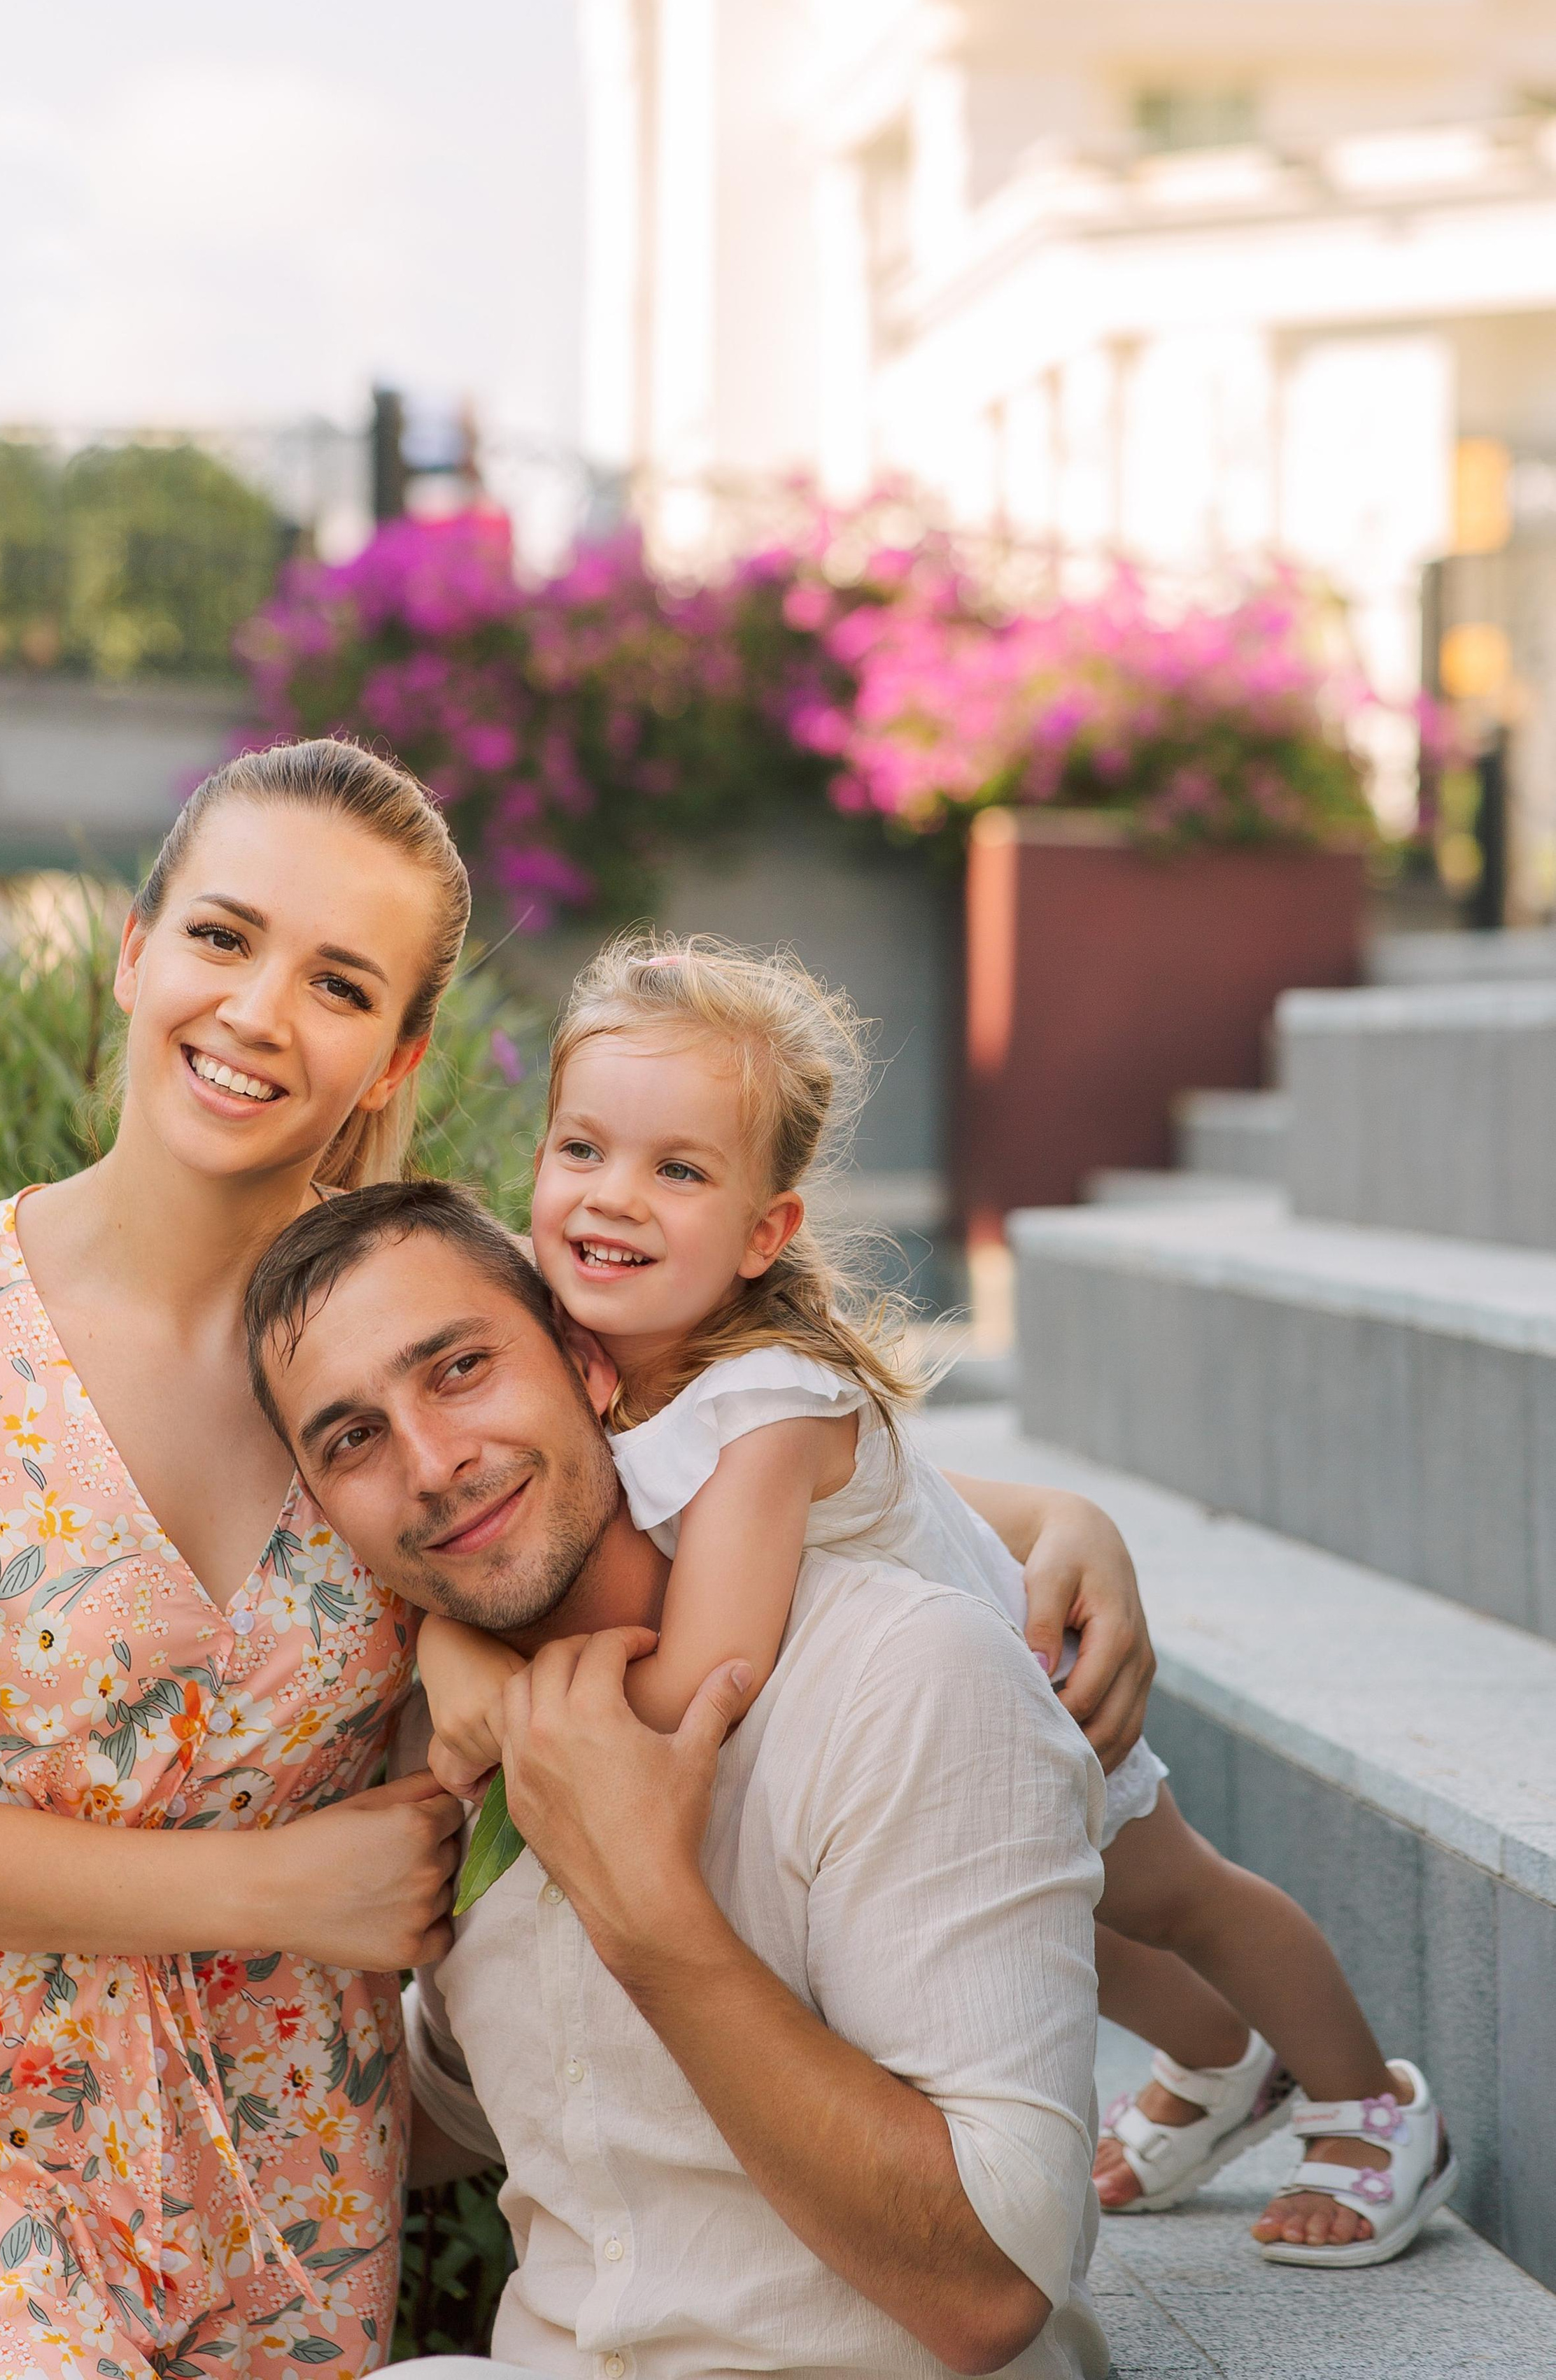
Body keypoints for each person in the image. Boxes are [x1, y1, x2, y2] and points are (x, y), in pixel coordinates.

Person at [418, 933, 1455, 2267]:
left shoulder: (757, 1405)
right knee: (1079, 1914)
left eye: (679, 1170)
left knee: (1178, 1895)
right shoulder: (580, 1346)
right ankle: (1217, 2067)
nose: (613, 1197)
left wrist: (500, 1697)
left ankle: (1370, 2099)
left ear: (763, 1233)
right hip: (898, 1750)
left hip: (1017, 1701)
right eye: (582, 1151)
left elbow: (704, 1685)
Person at [0, 739, 474, 2380]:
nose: (257, 1014)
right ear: (135, 949)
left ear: (392, 1056)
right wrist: (270, 1889)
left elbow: (655, 1468)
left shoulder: (427, 1349)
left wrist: (1048, 1527)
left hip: (287, 2151)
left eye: (339, 983)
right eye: (223, 939)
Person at [247, 1178, 1112, 2380]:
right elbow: (476, 2101)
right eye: (354, 1438)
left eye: (458, 1370)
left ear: (589, 1363)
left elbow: (991, 2290)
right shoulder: (453, 1750)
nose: (435, 1464)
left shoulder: (903, 1675)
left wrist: (647, 1912)